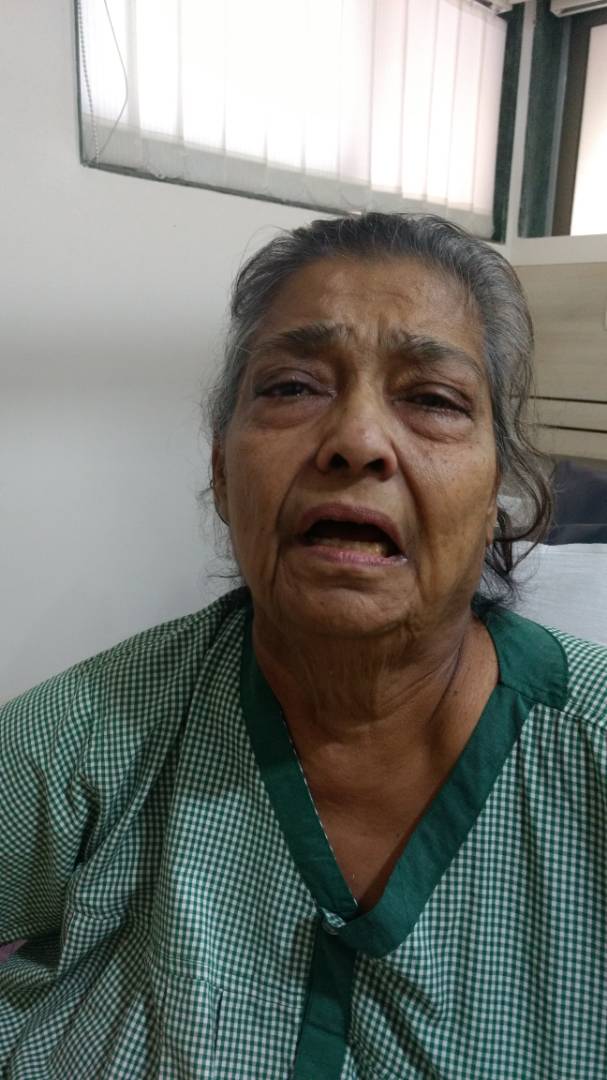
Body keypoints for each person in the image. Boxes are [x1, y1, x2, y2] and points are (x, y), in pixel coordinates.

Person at [1, 212, 606, 1079]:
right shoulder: (99, 731)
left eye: (432, 399)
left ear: (495, 499)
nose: (356, 441)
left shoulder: (589, 752)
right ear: (221, 470)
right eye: (291, 387)